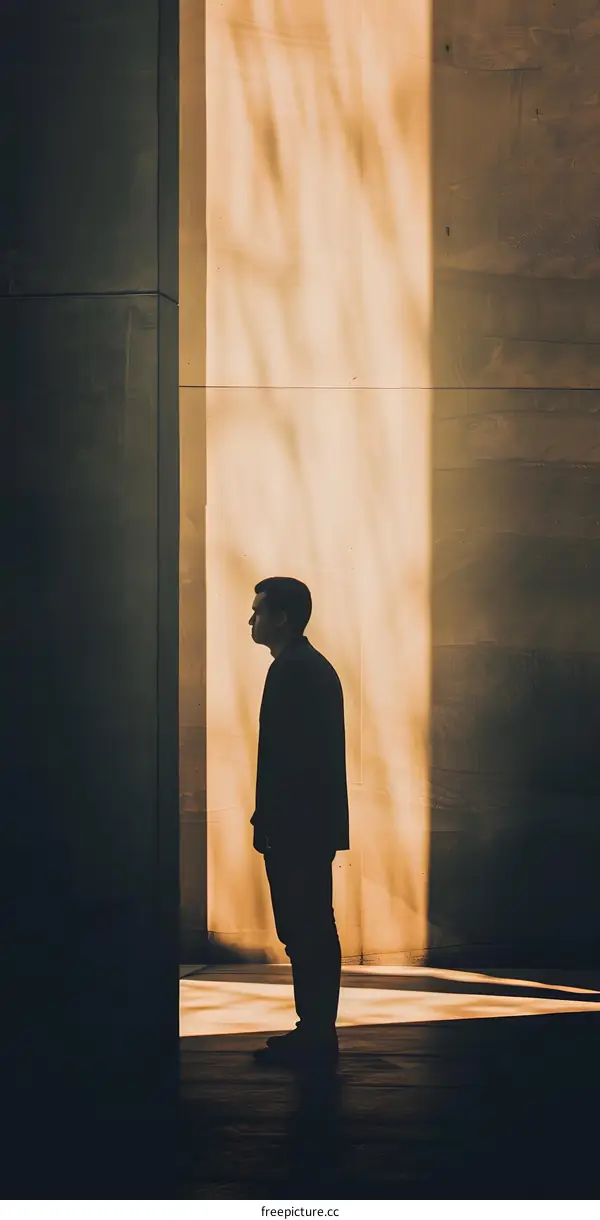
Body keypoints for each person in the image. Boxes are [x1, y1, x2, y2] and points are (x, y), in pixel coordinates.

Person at [249, 576, 349, 1066]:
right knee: (310, 927)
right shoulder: (306, 667)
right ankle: (315, 1031)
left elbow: (285, 760)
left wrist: (268, 821)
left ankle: (315, 1034)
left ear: (281, 617)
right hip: (306, 825)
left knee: (305, 928)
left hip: (296, 827)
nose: (251, 619)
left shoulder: (293, 671)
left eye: (258, 610)